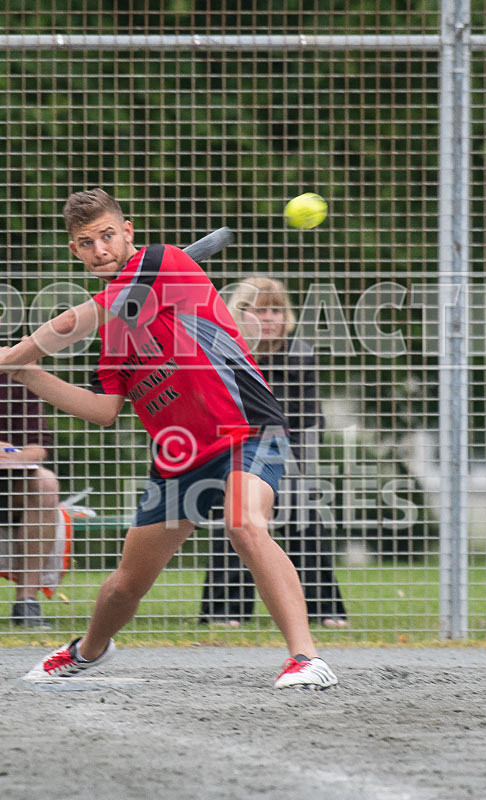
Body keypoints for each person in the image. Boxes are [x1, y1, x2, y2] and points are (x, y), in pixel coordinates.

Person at [0, 188, 338, 689]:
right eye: (86, 242)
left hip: (246, 430)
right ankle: (88, 652)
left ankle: (306, 658)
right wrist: (25, 372)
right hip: (179, 456)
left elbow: (74, 321)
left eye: (107, 236)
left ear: (128, 232)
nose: (100, 250)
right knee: (126, 585)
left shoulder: (165, 262)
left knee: (244, 525)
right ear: (75, 250)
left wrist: (8, 357)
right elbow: (102, 410)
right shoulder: (116, 334)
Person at [200, 276, 347, 628]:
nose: (269, 318)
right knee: (236, 513)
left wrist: (291, 468)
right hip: (235, 456)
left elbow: (311, 420)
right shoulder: (224, 352)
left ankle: (324, 608)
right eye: (259, 310)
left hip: (286, 461)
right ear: (240, 314)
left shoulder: (300, 354)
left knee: (303, 510)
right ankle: (224, 612)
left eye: (276, 310)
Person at [0, 372, 60, 628]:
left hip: (9, 483)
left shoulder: (15, 379)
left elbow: (39, 447)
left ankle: (27, 602)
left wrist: (12, 456)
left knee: (46, 483)